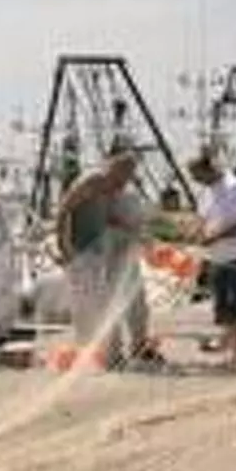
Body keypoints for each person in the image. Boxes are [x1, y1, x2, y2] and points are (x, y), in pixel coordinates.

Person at [55, 149, 152, 364]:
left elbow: (108, 218)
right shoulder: (93, 180)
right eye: (125, 174)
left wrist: (134, 232)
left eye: (130, 175)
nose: (126, 180)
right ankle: (109, 355)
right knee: (96, 305)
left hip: (100, 251)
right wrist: (63, 246)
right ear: (114, 167)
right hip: (81, 252)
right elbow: (64, 210)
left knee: (108, 302)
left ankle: (117, 352)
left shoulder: (111, 187)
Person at [187, 151, 236, 370]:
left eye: (197, 175)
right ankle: (227, 353)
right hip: (217, 258)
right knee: (222, 308)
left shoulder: (234, 187)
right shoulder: (207, 193)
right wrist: (195, 234)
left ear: (208, 169)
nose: (195, 180)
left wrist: (216, 236)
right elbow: (202, 220)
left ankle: (235, 357)